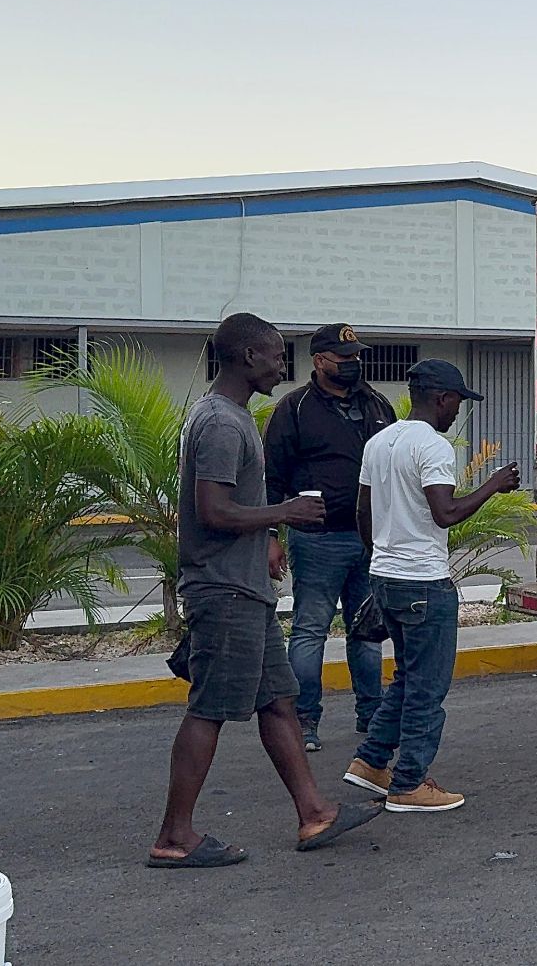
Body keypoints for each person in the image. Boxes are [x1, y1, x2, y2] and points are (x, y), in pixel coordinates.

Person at [148, 313, 380, 869]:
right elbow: (212, 510)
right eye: (276, 355)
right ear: (248, 357)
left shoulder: (229, 416)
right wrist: (286, 513)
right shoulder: (223, 424)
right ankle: (175, 837)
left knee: (279, 702)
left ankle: (314, 811)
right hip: (224, 590)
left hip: (244, 588)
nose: (282, 364)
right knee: (209, 709)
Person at [342, 359, 519, 812]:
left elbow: (363, 512)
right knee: (427, 689)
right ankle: (409, 783)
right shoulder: (434, 447)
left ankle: (371, 762)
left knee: (407, 677)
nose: (458, 411)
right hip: (423, 581)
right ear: (441, 398)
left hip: (385, 576)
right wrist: (493, 485)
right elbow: (447, 513)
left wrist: (380, 554)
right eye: (457, 401)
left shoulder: (379, 442)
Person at [263, 323, 397, 751]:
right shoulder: (294, 408)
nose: (352, 365)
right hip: (317, 539)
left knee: (367, 630)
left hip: (370, 540)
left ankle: (371, 715)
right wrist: (271, 534)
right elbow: (272, 477)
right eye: (343, 360)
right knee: (309, 630)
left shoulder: (377, 404)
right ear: (319, 361)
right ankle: (304, 721)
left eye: (356, 358)